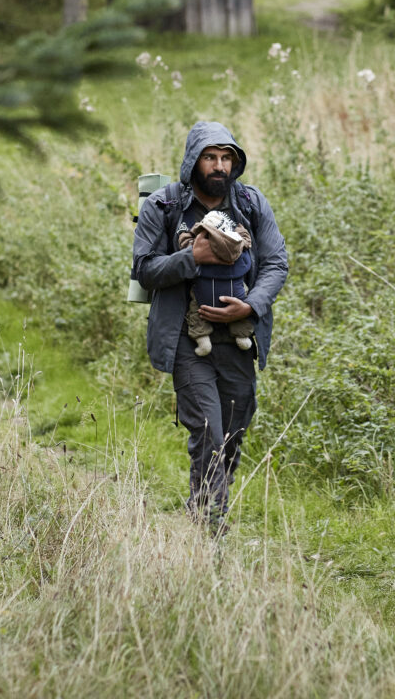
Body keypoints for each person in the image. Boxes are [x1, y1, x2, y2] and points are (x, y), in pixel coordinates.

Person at [132, 121, 288, 534]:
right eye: (210, 157)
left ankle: (205, 503)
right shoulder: (163, 207)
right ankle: (210, 524)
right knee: (208, 430)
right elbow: (144, 269)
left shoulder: (252, 204)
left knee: (233, 432)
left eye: (226, 158)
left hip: (238, 340)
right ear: (193, 160)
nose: (219, 166)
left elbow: (275, 263)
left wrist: (250, 306)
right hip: (187, 339)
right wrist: (193, 257)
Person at [177, 209, 255, 356]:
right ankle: (242, 334)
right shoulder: (237, 242)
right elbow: (247, 239)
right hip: (234, 292)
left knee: (196, 309)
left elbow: (184, 243)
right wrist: (240, 228)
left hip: (203, 294)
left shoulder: (198, 244)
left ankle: (202, 339)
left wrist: (186, 232)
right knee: (244, 298)